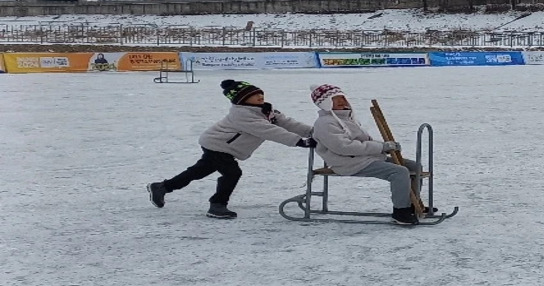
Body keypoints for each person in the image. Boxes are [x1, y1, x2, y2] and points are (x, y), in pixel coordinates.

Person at [147, 79, 315, 219]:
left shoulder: (266, 111)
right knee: (232, 173)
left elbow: (288, 123)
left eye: (260, 93)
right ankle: (217, 205)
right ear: (241, 100)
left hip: (224, 146)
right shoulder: (242, 115)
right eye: (254, 95)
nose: (260, 96)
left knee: (197, 171)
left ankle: (162, 187)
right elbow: (270, 131)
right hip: (218, 145)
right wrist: (300, 142)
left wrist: (313, 132)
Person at [309, 84, 423, 225]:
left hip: (366, 159)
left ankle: (413, 204)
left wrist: (385, 147)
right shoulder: (325, 123)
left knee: (414, 166)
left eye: (342, 97)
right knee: (399, 172)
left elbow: (363, 142)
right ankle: (401, 212)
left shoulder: (347, 118)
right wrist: (381, 147)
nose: (341, 101)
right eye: (335, 99)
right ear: (325, 103)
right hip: (348, 163)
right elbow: (344, 147)